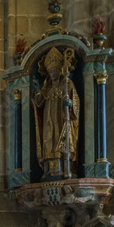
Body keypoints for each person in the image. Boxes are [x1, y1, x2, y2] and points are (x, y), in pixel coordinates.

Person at [33, 47, 80, 179]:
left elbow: (76, 104)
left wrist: (69, 104)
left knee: (63, 141)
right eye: (51, 71)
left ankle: (66, 168)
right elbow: (39, 103)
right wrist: (37, 91)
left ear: (60, 71)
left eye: (55, 71)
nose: (53, 73)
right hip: (49, 118)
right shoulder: (46, 87)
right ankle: (48, 170)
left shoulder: (67, 84)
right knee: (48, 139)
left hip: (62, 118)